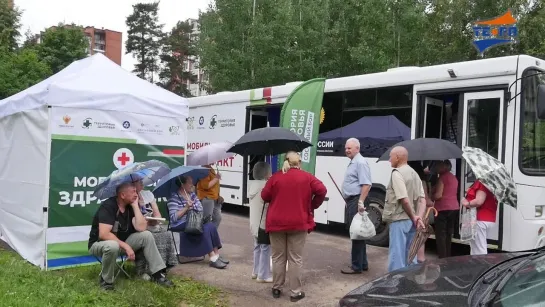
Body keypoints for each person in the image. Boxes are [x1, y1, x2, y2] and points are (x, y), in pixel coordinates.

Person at [261, 151, 327, 302]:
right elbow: (322, 190)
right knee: (295, 258)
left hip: (276, 223)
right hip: (299, 223)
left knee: (278, 257)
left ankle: (277, 288)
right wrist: (312, 205)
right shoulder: (307, 177)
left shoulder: (276, 177)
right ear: (299, 163)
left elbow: (264, 197)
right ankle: (295, 292)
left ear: (285, 161)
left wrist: (269, 183)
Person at [88, 182, 173, 290]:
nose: (136, 194)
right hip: (99, 244)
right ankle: (106, 282)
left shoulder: (131, 206)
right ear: (122, 195)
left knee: (146, 235)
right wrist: (126, 246)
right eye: (133, 191)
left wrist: (135, 206)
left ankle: (157, 275)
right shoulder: (109, 206)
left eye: (135, 191)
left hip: (121, 244)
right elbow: (104, 234)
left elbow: (142, 228)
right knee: (113, 245)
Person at [167, 175, 229, 269]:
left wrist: (192, 207)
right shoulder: (174, 198)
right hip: (179, 224)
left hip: (193, 221)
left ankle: (216, 255)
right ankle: (212, 258)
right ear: (182, 185)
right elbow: (173, 218)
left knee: (210, 225)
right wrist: (186, 208)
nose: (192, 185)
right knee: (205, 228)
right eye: (190, 183)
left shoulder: (192, 195)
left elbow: (200, 209)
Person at [382, 146, 426, 272]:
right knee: (411, 255)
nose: (389, 160)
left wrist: (414, 217)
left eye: (391, 157)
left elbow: (404, 199)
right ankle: (410, 283)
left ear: (397, 157)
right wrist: (418, 218)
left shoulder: (397, 173)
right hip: (412, 222)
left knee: (397, 256)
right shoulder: (415, 174)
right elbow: (422, 200)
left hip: (399, 220)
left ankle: (395, 285)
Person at [133, 180, 178, 279]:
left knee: (166, 234)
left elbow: (157, 212)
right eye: (138, 181)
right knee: (153, 237)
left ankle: (163, 267)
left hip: (151, 224)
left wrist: (156, 219)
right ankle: (146, 270)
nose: (142, 183)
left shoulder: (148, 194)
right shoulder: (131, 197)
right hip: (139, 228)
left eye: (142, 181)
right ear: (132, 184)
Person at [341, 138, 372, 275]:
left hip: (356, 201)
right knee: (359, 232)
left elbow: (367, 184)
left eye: (350, 148)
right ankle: (362, 263)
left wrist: (360, 202)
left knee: (355, 233)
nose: (347, 150)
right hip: (352, 200)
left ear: (357, 148)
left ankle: (356, 266)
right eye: (346, 148)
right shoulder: (354, 162)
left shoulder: (360, 162)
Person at [248, 161, 272, 283]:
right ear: (267, 174)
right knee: (265, 248)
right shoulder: (265, 186)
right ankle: (263, 275)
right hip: (263, 224)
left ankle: (255, 271)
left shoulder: (252, 185)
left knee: (257, 247)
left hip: (253, 223)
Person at [461, 180, 497, 255]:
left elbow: (479, 201)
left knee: (479, 249)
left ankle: (482, 265)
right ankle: (476, 265)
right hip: (490, 219)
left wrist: (466, 203)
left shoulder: (482, 183)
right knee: (477, 246)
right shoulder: (493, 183)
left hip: (480, 219)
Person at [431, 160, 459, 258]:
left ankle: (442, 257)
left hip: (443, 208)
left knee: (440, 234)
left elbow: (438, 195)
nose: (436, 168)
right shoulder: (454, 178)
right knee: (448, 233)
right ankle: (448, 255)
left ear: (444, 167)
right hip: (454, 208)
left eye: (438, 166)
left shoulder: (442, 178)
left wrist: (431, 197)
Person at [408, 161, 434, 263]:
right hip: (420, 211)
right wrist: (432, 202)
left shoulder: (410, 180)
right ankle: (420, 257)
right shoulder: (422, 181)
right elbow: (425, 200)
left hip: (411, 211)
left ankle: (414, 257)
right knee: (420, 234)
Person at [196, 164, 224, 228]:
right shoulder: (204, 170)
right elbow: (206, 186)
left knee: (218, 218)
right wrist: (216, 178)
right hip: (207, 198)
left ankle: (211, 233)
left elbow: (214, 186)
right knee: (206, 220)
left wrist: (218, 195)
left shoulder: (210, 169)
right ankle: (206, 236)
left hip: (214, 198)